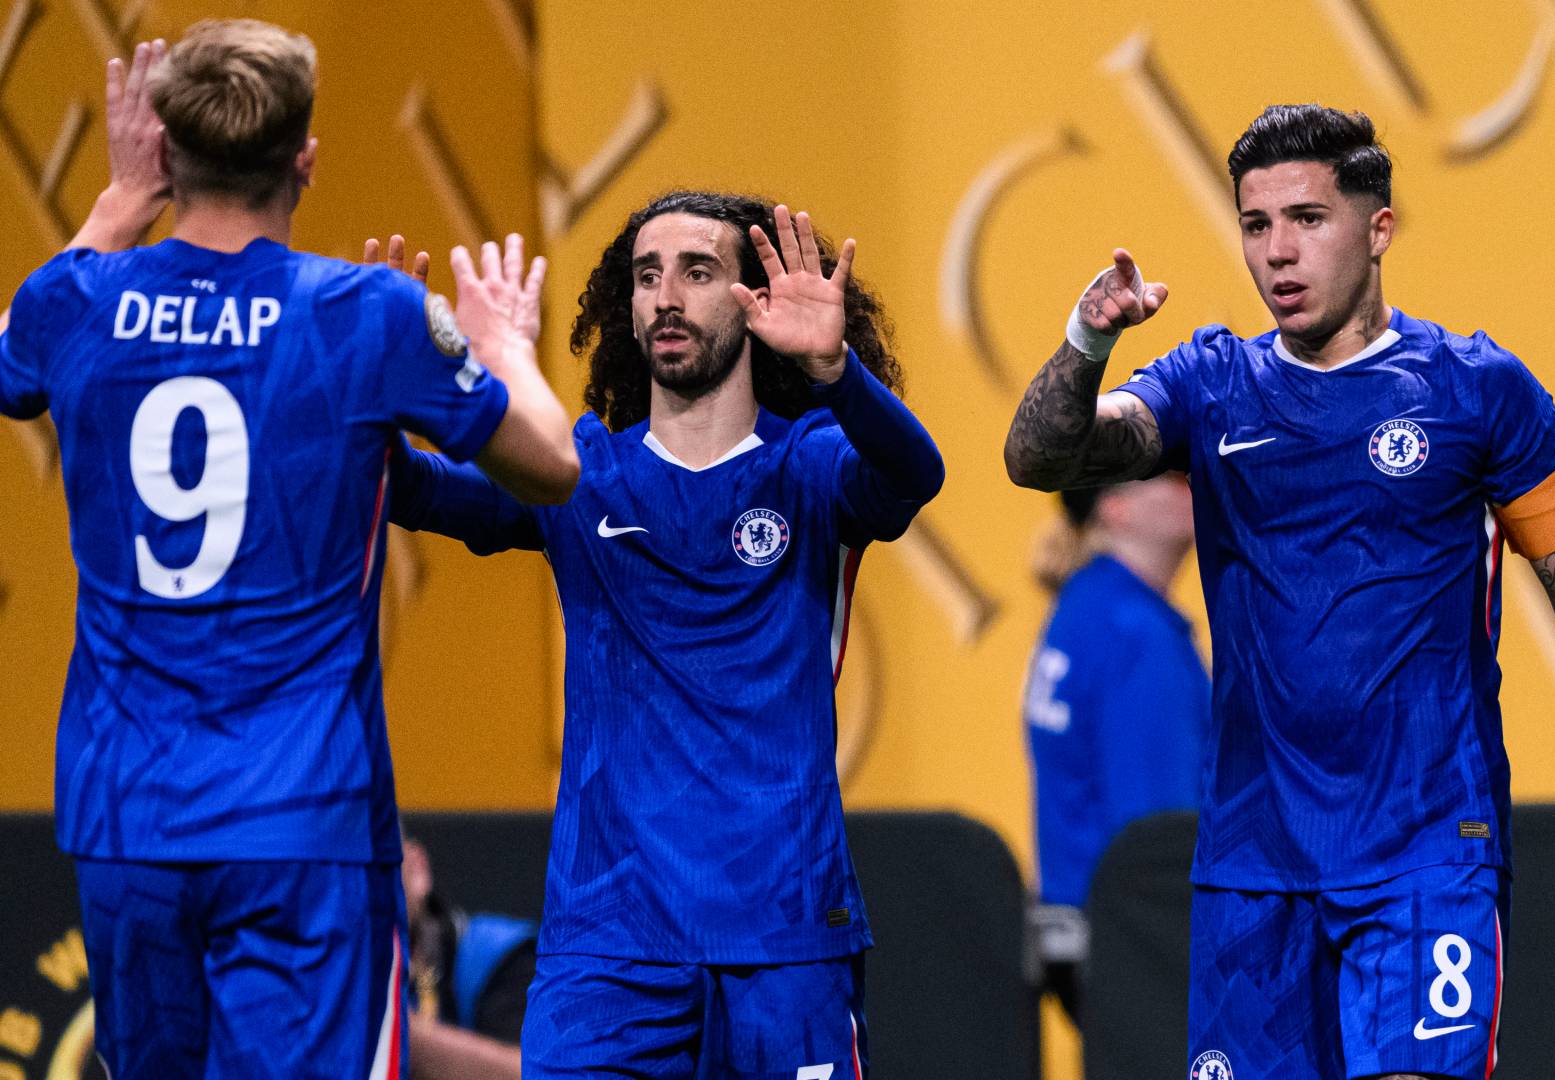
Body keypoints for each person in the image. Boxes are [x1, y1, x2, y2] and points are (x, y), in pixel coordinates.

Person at [1003, 104, 1555, 1079]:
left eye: (1307, 218)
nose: (1277, 251)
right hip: (1254, 869)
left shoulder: (1478, 391)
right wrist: (1086, 343)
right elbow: (1039, 458)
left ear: (1378, 228)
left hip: (1427, 850)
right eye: (1256, 224)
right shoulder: (1211, 383)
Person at [0, 19, 577, 1077]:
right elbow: (551, 468)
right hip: (300, 817)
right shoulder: (364, 313)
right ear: (304, 158)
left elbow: (11, 362)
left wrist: (120, 199)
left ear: (168, 152)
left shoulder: (71, 302)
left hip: (126, 812)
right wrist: (502, 348)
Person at [383, 191, 943, 1077]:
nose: (666, 298)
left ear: (754, 301)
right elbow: (410, 489)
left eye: (697, 272)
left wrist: (839, 373)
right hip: (608, 949)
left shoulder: (811, 462)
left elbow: (915, 474)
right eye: (647, 277)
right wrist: (389, 377)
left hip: (786, 937)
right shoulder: (578, 474)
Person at [1022, 476, 1210, 1020]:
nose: (1190, 485)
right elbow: (1161, 837)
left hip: (1082, 935)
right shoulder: (1137, 633)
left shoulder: (1084, 603)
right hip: (1137, 944)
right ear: (1116, 506)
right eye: (1169, 477)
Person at [403, 838, 536, 1080]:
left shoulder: (496, 952)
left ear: (416, 868)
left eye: (375, 872)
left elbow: (537, 1073)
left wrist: (399, 1034)